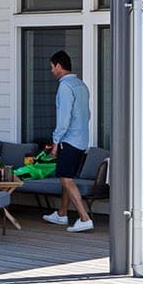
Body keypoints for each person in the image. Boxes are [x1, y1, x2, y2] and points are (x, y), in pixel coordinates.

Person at [41, 50, 96, 232]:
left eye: (52, 67)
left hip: (69, 140)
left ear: (58, 66)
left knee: (65, 179)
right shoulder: (81, 85)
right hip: (81, 140)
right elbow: (87, 114)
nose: (51, 71)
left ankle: (84, 217)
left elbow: (63, 118)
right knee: (68, 177)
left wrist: (56, 142)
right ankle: (62, 214)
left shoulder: (65, 87)